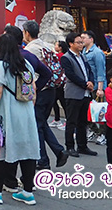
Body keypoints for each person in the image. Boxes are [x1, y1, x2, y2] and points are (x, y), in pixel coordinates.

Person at [0, 32, 40, 206]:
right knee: (28, 151)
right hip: (27, 112)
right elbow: (33, 90)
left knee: (2, 150)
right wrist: (29, 109)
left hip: (8, 112)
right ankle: (28, 193)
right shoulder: (26, 64)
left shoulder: (0, 65)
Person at [22, 20, 69, 170]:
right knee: (41, 123)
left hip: (40, 90)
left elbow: (31, 73)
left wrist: (33, 90)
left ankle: (43, 160)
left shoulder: (30, 49)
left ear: (27, 33)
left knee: (37, 125)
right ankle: (59, 151)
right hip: (51, 90)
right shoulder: (46, 46)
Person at [60, 32, 98, 157]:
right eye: (79, 42)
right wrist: (85, 84)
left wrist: (91, 81)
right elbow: (70, 75)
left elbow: (89, 70)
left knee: (83, 121)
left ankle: (82, 145)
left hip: (85, 93)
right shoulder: (66, 57)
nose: (81, 44)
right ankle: (70, 146)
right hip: (74, 93)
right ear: (71, 44)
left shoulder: (83, 56)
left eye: (82, 42)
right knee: (71, 121)